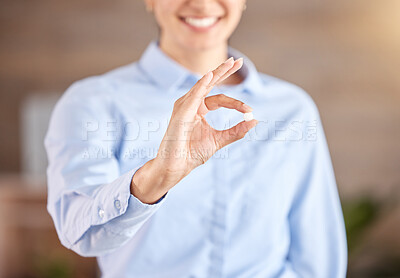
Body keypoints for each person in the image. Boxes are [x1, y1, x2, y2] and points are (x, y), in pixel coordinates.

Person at [45, 0, 347, 277]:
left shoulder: (293, 108)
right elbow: (80, 233)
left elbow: (317, 252)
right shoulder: (92, 102)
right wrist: (155, 178)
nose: (202, 4)